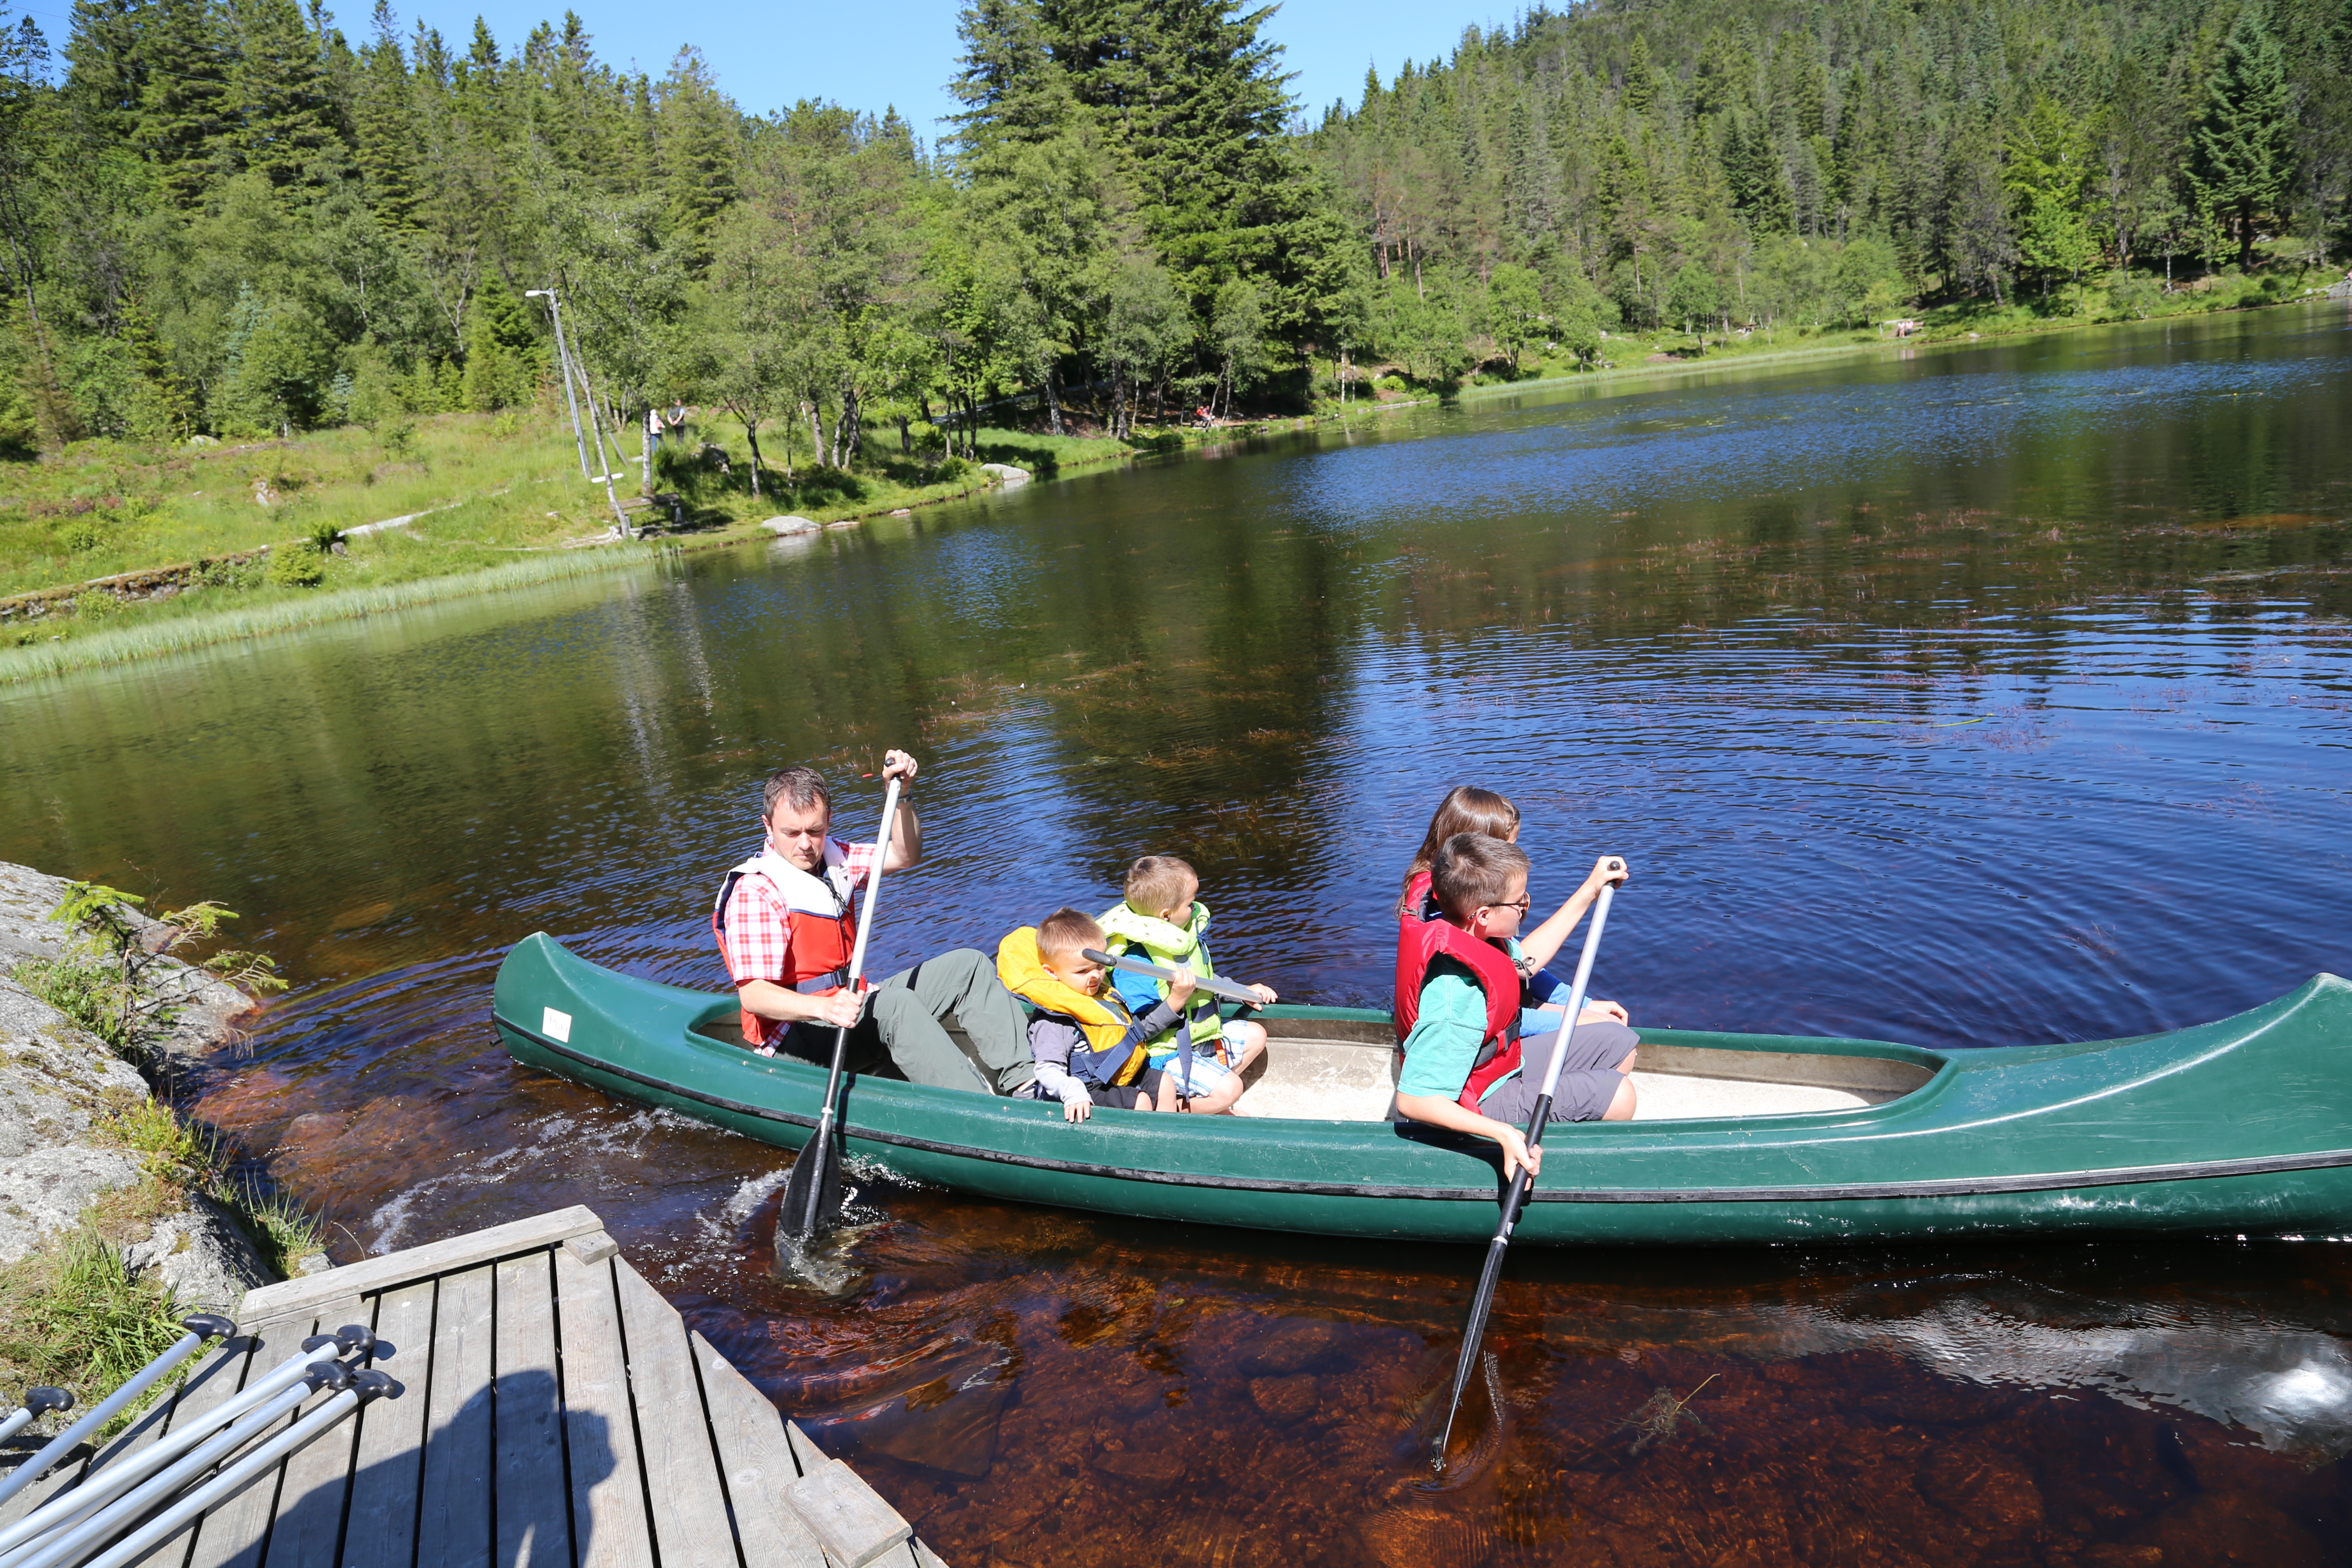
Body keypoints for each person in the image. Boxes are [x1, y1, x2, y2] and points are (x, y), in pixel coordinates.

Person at [712, 754, 1035, 1096]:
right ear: (768, 826)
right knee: (896, 1006)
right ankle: (980, 1112)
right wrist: (824, 1007)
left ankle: (1028, 1083)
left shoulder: (837, 858)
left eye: (815, 830)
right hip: (796, 1035)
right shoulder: (756, 892)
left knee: (969, 966)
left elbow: (905, 854)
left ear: (829, 821)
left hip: (849, 1004)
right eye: (791, 833)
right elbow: (754, 996)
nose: (805, 844)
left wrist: (903, 795)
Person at [1393, 835, 1638, 1180]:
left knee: (1617, 1042)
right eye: (1518, 903)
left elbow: (1529, 958)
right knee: (1621, 1095)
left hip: (1501, 1066)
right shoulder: (1454, 1000)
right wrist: (1502, 1133)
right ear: (1482, 915)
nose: (1526, 905)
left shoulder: (1479, 936)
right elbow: (1414, 1100)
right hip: (1480, 1099)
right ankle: (1544, 1158)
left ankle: (1566, 1121)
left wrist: (1591, 891)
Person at [1395, 786, 1630, 1032]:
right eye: (1508, 849)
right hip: (1474, 1030)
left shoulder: (1460, 892)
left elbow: (1518, 965)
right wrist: (1590, 890)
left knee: (1599, 1020)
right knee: (1606, 1029)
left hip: (1494, 1008)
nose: (1515, 857)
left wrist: (1585, 1005)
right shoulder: (1442, 913)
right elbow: (1523, 966)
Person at [1098, 855, 1275, 1115]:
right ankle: (1181, 1109)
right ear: (1166, 915)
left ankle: (1210, 1100)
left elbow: (1203, 979)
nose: (1196, 908)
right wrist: (1177, 999)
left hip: (1200, 1037)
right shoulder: (1135, 963)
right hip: (1165, 1055)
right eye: (1191, 903)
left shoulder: (1181, 937)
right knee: (1231, 1090)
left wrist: (1242, 992)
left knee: (1257, 1036)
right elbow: (1141, 1029)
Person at [996, 909, 1194, 1119]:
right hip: (1084, 1089)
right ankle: (1141, 1149)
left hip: (1116, 1077)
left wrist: (1177, 1000)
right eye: (1082, 972)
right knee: (1140, 1101)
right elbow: (1047, 1069)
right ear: (1052, 972)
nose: (1095, 977)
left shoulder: (1103, 996)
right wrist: (1070, 1089)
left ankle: (1166, 1140)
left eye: (1100, 966)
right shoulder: (1055, 1019)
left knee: (1165, 1084)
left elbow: (1137, 1033)